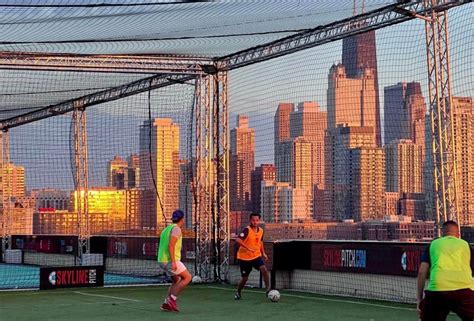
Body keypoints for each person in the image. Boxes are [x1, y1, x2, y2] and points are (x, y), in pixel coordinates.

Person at [417, 220, 474, 321]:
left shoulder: (433, 245)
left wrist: (419, 299)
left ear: (442, 233)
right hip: (464, 292)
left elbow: (422, 272)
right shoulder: (466, 245)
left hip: (437, 292)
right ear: (458, 234)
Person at [157, 209, 192, 312]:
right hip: (170, 260)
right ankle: (172, 300)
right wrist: (173, 262)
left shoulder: (166, 229)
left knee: (176, 280)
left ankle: (166, 303)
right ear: (182, 219)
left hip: (161, 259)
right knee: (187, 277)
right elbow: (171, 245)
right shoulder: (176, 229)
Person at [234, 212, 270, 300]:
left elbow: (260, 242)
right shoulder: (247, 230)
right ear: (250, 220)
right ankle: (238, 292)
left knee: (264, 269)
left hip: (256, 256)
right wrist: (248, 247)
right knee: (245, 278)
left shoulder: (261, 230)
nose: (255, 222)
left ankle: (268, 289)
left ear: (259, 221)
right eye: (253, 220)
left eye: (257, 220)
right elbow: (238, 240)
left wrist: (263, 253)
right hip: (244, 258)